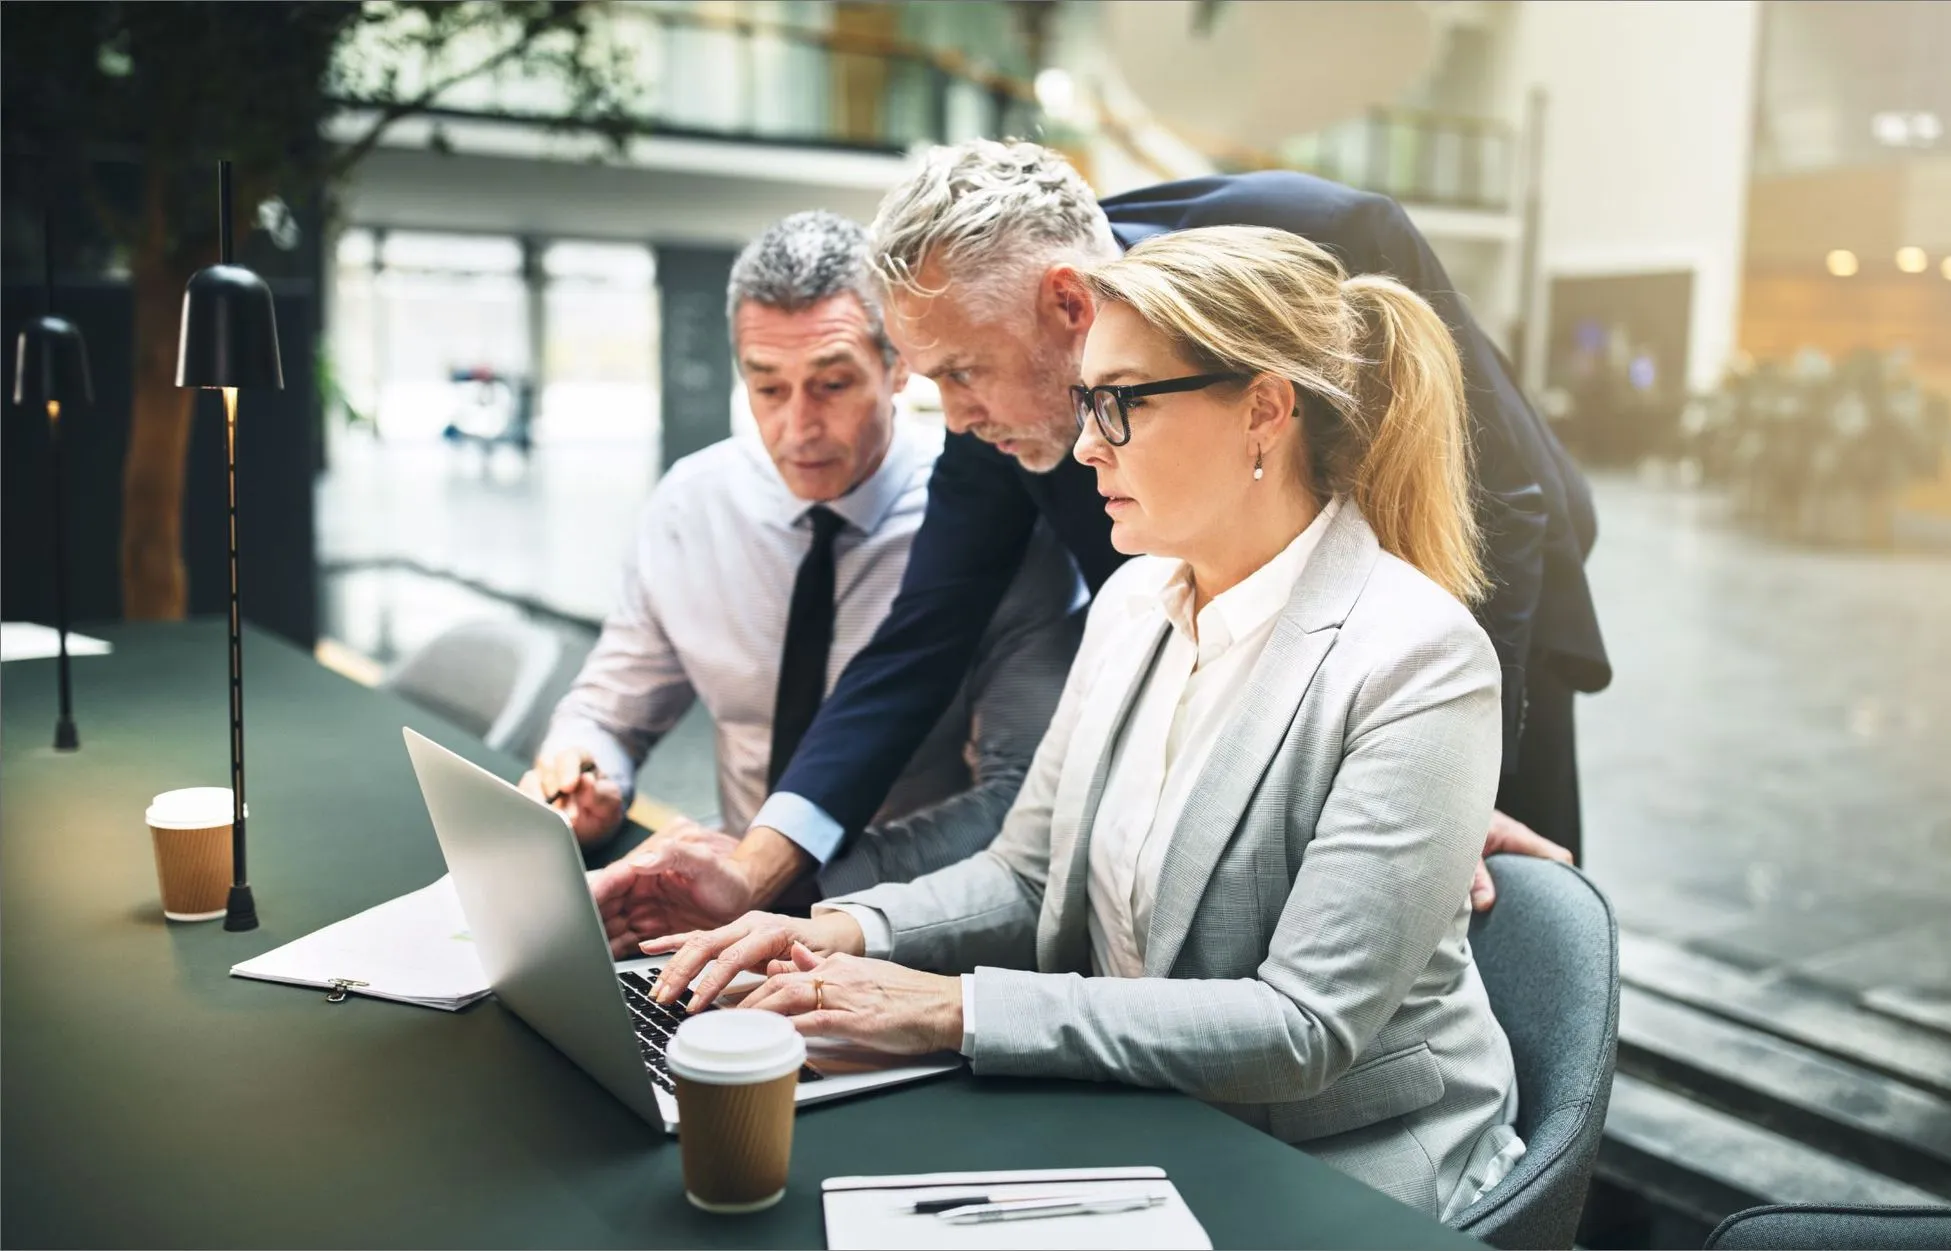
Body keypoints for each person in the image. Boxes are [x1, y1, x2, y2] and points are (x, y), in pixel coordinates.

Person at [647, 226, 1526, 1220]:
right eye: (1081, 403)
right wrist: (831, 934)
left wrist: (950, 1009)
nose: (1082, 446)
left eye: (1118, 405)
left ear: (1263, 412)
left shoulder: (1416, 658)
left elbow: (1300, 1029)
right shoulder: (1130, 603)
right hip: (1139, 1117)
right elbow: (1026, 875)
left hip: (1336, 1165)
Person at [622, 141, 1609, 930]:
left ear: (1066, 303)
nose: (954, 417)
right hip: (1244, 636)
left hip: (1481, 622)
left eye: (964, 372)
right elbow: (921, 636)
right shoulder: (999, 396)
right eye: (933, 382)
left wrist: (1447, 771)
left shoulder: (1320, 239)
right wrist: (758, 865)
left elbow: (1498, 510)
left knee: (1488, 927)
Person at [519, 210, 1081, 954]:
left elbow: (1020, 800)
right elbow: (612, 709)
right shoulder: (694, 506)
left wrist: (796, 882)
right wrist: (586, 771)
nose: (798, 427)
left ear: (899, 364)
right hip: (712, 923)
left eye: (833, 383)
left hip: (911, 930)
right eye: (768, 388)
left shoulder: (998, 522)